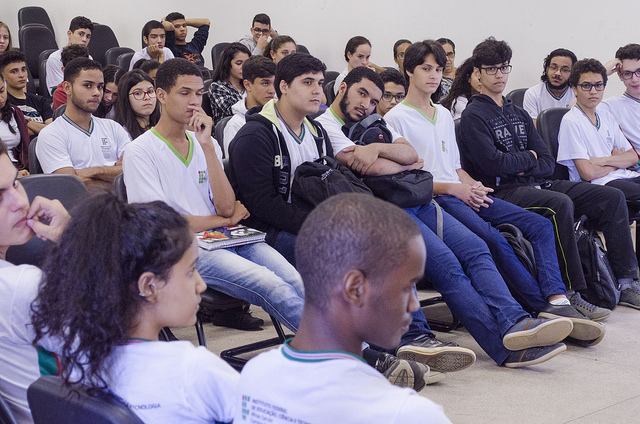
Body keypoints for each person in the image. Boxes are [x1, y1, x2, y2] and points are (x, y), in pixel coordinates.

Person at [319, 65, 580, 368]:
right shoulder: (326, 126)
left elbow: (411, 156)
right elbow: (375, 167)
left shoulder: (373, 121)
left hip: (417, 199)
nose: (366, 105)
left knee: (477, 249)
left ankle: (515, 321)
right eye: (361, 94)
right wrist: (398, 161)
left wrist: (378, 148)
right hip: (386, 209)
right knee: (448, 266)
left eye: (373, 100)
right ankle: (503, 348)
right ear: (342, 88)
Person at [123, 58, 306, 334]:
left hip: (226, 237)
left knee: (295, 279)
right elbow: (162, 226)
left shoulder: (205, 142)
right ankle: (342, 350)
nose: (194, 102)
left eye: (199, 94)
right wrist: (225, 219)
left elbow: (226, 207)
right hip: (183, 248)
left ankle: (348, 345)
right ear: (161, 95)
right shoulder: (140, 152)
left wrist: (207, 146)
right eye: (185, 93)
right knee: (270, 285)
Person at [457, 37, 640, 312]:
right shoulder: (473, 116)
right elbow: (493, 165)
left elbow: (546, 162)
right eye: (491, 69)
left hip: (539, 182)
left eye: (504, 67)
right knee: (559, 204)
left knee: (611, 197)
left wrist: (524, 161)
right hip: (503, 191)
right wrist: (528, 158)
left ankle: (626, 282)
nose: (499, 75)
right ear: (478, 73)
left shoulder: (517, 112)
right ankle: (571, 291)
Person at [235, 194, 452, 423]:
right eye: (403, 288)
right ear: (354, 287)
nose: (414, 305)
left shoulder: (255, 376)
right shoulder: (409, 413)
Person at [30, 193, 238, 424]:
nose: (201, 285)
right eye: (190, 271)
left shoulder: (79, 359)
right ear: (148, 286)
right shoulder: (192, 370)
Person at [0, 139, 71, 423]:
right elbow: (125, 327)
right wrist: (72, 236)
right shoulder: (21, 286)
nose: (20, 202)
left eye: (15, 183)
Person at [37, 58, 130, 191]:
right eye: (88, 85)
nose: (96, 92)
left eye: (100, 87)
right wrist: (116, 176)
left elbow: (134, 172)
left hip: (122, 203)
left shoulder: (113, 127)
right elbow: (70, 186)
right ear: (67, 88)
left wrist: (94, 171)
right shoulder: (51, 134)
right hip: (78, 204)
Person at [223, 55, 276, 155]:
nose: (272, 90)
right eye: (265, 83)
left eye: (274, 84)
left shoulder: (280, 117)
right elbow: (235, 162)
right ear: (247, 85)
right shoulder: (236, 125)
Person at [0, 51, 52, 137]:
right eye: (14, 71)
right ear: (3, 76)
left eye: (23, 69)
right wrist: (40, 128)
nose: (21, 75)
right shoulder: (3, 102)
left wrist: (26, 122)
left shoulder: (40, 100)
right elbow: (13, 133)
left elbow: (52, 131)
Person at [523, 48, 577, 125]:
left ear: (572, 73)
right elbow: (533, 129)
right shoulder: (533, 94)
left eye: (564, 70)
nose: (557, 73)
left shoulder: (577, 94)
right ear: (547, 69)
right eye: (553, 68)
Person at [601, 44, 640, 151]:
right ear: (619, 75)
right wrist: (602, 73)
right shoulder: (612, 106)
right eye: (627, 73)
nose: (634, 79)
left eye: (639, 71)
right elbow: (575, 110)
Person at [45, 16, 93, 95]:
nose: (84, 39)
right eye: (81, 34)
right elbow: (57, 90)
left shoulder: (89, 58)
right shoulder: (55, 58)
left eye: (88, 36)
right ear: (69, 34)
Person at [208, 43, 251, 125]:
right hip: (230, 128)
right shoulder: (217, 87)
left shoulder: (249, 84)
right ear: (227, 64)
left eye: (247, 63)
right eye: (238, 63)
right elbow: (232, 110)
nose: (244, 67)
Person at [114, 69, 161, 140]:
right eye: (138, 93)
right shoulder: (123, 134)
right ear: (126, 98)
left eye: (150, 91)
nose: (147, 97)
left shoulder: (165, 128)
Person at [0, 73, 30, 175]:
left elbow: (25, 149)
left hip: (18, 168)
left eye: (2, 91)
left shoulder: (15, 112)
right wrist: (13, 175)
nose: (0, 98)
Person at [51, 44, 91, 111]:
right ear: (64, 70)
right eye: (75, 69)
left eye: (84, 68)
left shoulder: (95, 87)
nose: (80, 73)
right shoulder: (60, 93)